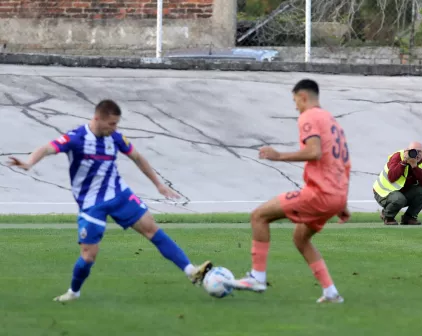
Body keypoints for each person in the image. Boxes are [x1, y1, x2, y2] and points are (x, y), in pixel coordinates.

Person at [7, 99, 212, 302]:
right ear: (97, 118)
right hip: (91, 204)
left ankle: (190, 271)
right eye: (111, 124)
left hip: (118, 195)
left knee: (151, 229)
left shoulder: (115, 138)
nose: (115, 128)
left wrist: (158, 184)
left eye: (116, 124)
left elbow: (137, 157)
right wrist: (29, 163)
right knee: (88, 257)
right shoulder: (76, 138)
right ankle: (74, 292)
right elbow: (47, 148)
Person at [225, 79, 351, 303]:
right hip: (335, 194)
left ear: (303, 97)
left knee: (259, 216)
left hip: (319, 193)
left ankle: (257, 277)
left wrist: (279, 156)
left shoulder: (309, 116)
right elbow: (342, 163)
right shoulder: (332, 121)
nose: (295, 107)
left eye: (295, 101)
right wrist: (342, 203)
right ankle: (331, 292)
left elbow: (314, 152)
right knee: (301, 238)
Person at [372, 141, 422, 225]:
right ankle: (387, 216)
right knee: (399, 199)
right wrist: (404, 162)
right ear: (407, 151)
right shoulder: (398, 156)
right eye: (413, 151)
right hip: (383, 192)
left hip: (401, 192)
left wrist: (415, 167)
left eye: (419, 152)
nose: (417, 154)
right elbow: (391, 177)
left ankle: (409, 217)